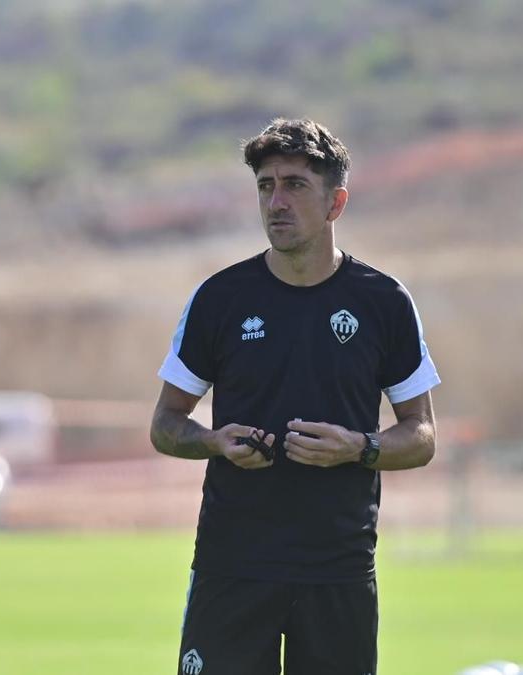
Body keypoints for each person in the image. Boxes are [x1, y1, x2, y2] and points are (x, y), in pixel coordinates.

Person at [150, 117, 440, 675]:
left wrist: (359, 447)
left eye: (295, 185)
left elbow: (422, 436)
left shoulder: (385, 303)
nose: (276, 202)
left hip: (338, 572)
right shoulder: (218, 299)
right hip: (232, 567)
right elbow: (165, 423)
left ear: (336, 203)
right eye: (266, 186)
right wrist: (214, 441)